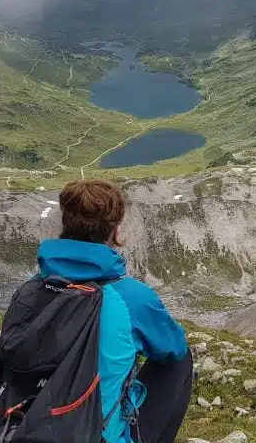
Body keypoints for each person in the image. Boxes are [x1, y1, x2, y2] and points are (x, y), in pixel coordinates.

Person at [38, 179, 192, 443]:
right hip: (90, 435)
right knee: (180, 361)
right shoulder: (130, 297)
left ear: (63, 226)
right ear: (117, 232)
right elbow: (173, 348)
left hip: (23, 428)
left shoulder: (32, 289)